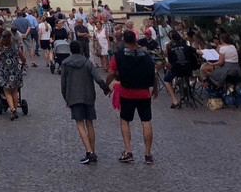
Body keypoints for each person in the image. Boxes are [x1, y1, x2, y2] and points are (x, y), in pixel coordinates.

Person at [106, 29, 158, 165]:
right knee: (146, 122)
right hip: (144, 92)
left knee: (125, 120)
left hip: (127, 92)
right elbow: (153, 71)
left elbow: (111, 72)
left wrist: (106, 85)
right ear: (135, 39)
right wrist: (155, 88)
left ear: (124, 40)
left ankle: (128, 151)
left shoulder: (119, 55)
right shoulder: (145, 55)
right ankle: (148, 154)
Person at [60, 40, 111, 164]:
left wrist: (66, 98)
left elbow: (63, 83)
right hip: (88, 95)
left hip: (74, 96)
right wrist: (105, 88)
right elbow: (98, 78)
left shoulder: (66, 63)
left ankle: (89, 152)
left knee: (80, 124)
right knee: (90, 123)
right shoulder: (87, 62)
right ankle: (92, 151)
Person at [163, 31, 200, 108]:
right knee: (185, 74)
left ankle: (174, 100)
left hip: (177, 70)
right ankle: (187, 89)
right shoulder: (187, 47)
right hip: (188, 70)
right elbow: (199, 52)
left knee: (166, 80)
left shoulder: (171, 49)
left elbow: (170, 62)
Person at [0, 30, 26, 120]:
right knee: (15, 91)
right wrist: (23, 63)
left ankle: (12, 109)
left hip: (5, 71)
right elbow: (23, 57)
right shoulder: (15, 47)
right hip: (15, 70)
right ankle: (15, 110)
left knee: (7, 92)